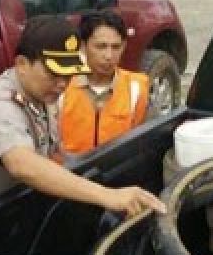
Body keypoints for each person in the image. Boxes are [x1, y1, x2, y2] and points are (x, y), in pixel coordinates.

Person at [0, 14, 165, 217]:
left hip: (20, 209)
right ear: (22, 65)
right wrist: (109, 196)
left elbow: (56, 157)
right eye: (53, 74)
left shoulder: (41, 94)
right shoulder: (1, 104)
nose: (62, 84)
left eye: (67, 75)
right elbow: (22, 165)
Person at [58, 10, 150, 156]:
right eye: (100, 46)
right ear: (82, 45)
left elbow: (139, 144)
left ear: (124, 46)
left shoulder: (137, 87)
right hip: (67, 174)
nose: (109, 56)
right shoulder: (60, 86)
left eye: (116, 47)